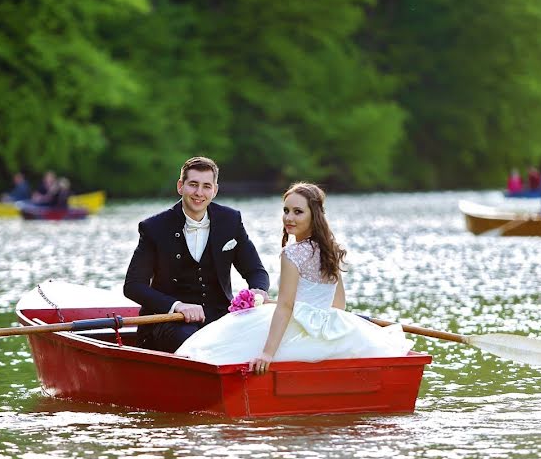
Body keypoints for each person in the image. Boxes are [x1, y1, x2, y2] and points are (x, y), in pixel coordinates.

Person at [175, 182, 411, 373]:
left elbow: (287, 306)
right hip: (329, 323)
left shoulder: (292, 253)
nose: (289, 218)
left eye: (298, 212)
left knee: (216, 344)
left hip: (296, 321)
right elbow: (338, 306)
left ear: (314, 215)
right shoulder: (331, 250)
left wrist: (268, 353)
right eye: (286, 210)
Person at [123, 156, 270, 353]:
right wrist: (177, 306)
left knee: (264, 337)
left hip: (221, 318)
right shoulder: (154, 228)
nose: (199, 193)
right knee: (195, 343)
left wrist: (258, 291)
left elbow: (255, 271)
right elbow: (133, 286)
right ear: (180, 186)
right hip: (170, 322)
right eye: (193, 184)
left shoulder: (231, 220)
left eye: (206, 186)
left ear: (215, 190)